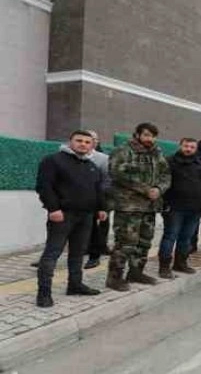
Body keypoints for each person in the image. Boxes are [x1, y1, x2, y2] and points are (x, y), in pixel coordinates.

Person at [35, 130, 107, 307]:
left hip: (86, 216)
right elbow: (44, 186)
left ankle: (75, 285)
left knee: (78, 252)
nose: (83, 144)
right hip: (62, 215)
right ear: (70, 142)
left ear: (92, 145)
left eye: (87, 142)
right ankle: (43, 293)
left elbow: (97, 189)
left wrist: (101, 208)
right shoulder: (53, 160)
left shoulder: (90, 165)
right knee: (52, 253)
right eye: (79, 140)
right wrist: (53, 209)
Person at [106, 123, 171, 291]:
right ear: (137, 135)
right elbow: (117, 173)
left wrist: (158, 189)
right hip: (129, 207)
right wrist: (145, 189)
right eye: (147, 135)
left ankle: (136, 272)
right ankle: (114, 278)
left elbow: (166, 175)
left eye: (153, 136)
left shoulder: (157, 153)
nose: (150, 139)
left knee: (144, 242)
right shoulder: (123, 151)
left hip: (150, 207)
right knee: (125, 243)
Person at [157, 138, 201, 279]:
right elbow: (162, 182)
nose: (188, 149)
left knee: (186, 238)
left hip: (194, 208)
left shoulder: (200, 164)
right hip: (174, 208)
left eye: (192, 147)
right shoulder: (169, 161)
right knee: (170, 236)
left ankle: (180, 263)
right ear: (180, 146)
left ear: (196, 148)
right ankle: (164, 267)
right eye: (186, 146)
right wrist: (164, 204)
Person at [84, 130, 111, 269]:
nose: (89, 142)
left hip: (99, 198)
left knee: (99, 225)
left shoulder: (103, 158)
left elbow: (107, 180)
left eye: (93, 139)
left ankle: (98, 250)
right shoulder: (68, 155)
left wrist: (101, 197)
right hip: (75, 200)